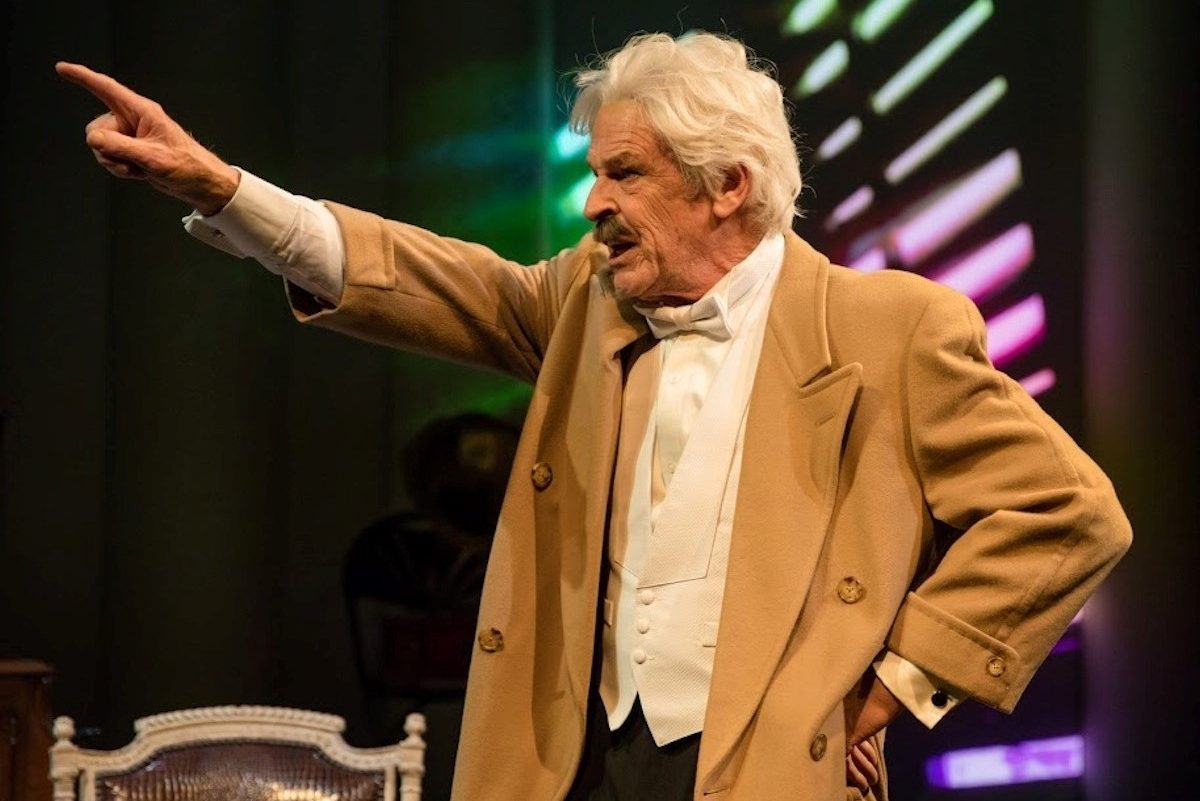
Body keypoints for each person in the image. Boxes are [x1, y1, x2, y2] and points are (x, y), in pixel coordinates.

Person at [57, 31, 1130, 801]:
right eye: (596, 174)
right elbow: (428, 275)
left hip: (758, 770)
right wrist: (226, 191)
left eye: (625, 174)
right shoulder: (587, 301)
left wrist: (897, 684)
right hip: (575, 760)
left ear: (727, 186)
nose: (596, 204)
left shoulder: (888, 327)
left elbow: (1069, 513)